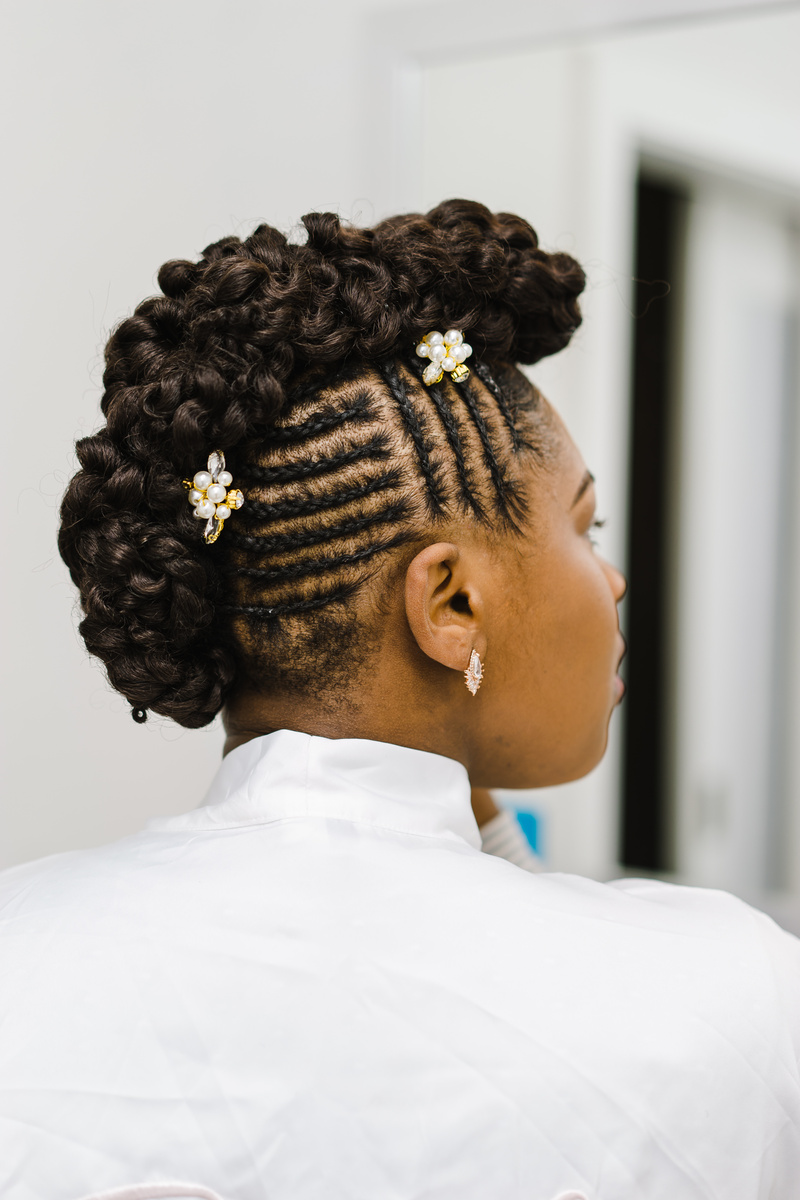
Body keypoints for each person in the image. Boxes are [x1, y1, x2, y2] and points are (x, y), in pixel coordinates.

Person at [1, 200, 798, 1200]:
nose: (611, 582)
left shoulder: (19, 947)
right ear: (451, 604)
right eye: (583, 528)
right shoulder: (732, 1002)